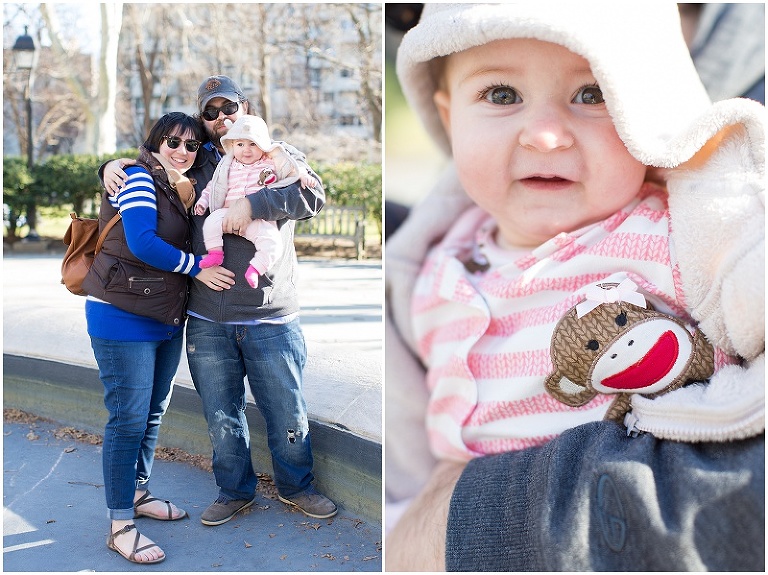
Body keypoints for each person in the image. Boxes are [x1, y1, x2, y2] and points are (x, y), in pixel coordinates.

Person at [385, 3, 764, 570]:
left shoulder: (678, 234)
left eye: (592, 95)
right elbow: (409, 432)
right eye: (500, 94)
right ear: (447, 115)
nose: (544, 134)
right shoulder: (436, 260)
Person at [102, 75, 337, 527]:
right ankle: (234, 491)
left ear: (245, 107)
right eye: (210, 113)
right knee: (221, 414)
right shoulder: (195, 162)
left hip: (270, 312)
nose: (221, 119)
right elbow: (152, 165)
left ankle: (296, 486)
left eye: (228, 108)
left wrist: (254, 206)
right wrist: (111, 165)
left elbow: (312, 194)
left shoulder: (273, 152)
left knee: (286, 408)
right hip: (207, 317)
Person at [84, 112, 213, 564]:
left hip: (162, 315)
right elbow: (141, 242)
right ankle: (120, 525)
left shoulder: (181, 184)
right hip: (122, 315)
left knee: (153, 411)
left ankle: (137, 493)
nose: (182, 150)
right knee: (127, 418)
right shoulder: (139, 179)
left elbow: (231, 148)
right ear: (155, 142)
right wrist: (197, 267)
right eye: (172, 141)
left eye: (191, 145)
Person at [194, 114, 315, 288]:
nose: (246, 150)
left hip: (257, 219)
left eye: (253, 144)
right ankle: (215, 253)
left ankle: (256, 269)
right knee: (211, 222)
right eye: (240, 144)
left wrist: (302, 174)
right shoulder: (228, 165)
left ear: (263, 147)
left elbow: (289, 168)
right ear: (232, 145)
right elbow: (214, 187)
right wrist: (203, 202)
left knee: (273, 243)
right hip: (227, 213)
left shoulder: (268, 163)